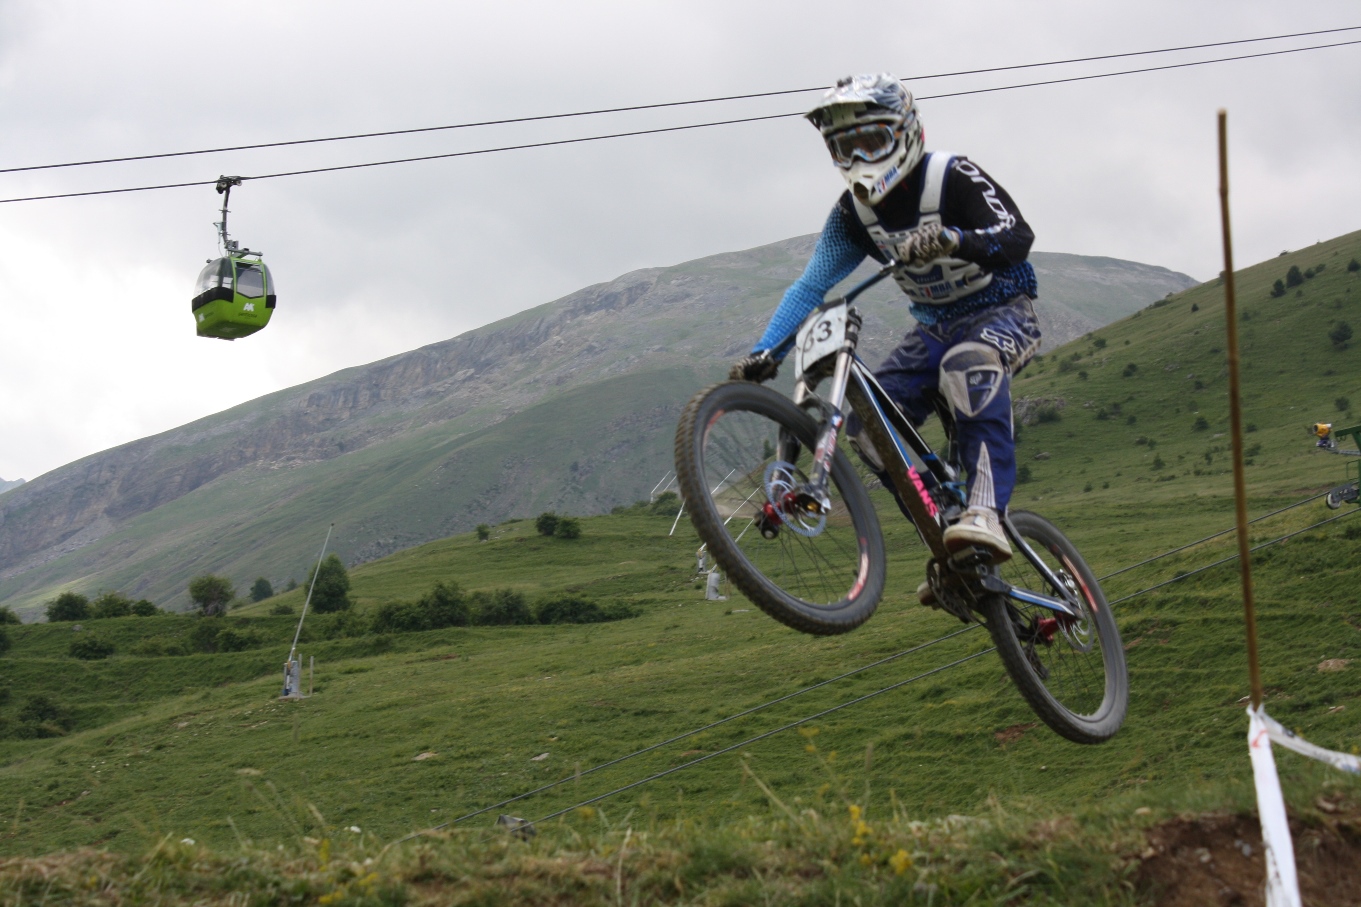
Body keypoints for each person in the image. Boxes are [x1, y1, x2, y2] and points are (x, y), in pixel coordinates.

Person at [731, 73, 1040, 565]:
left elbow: (1017, 235)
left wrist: (955, 239)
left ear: (905, 132)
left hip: (1003, 311)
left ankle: (987, 513)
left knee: (969, 365)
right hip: (932, 329)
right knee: (867, 430)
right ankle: (943, 535)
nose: (857, 160)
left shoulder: (950, 176)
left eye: (871, 141)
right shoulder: (854, 215)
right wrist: (768, 350)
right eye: (842, 149)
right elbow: (811, 286)